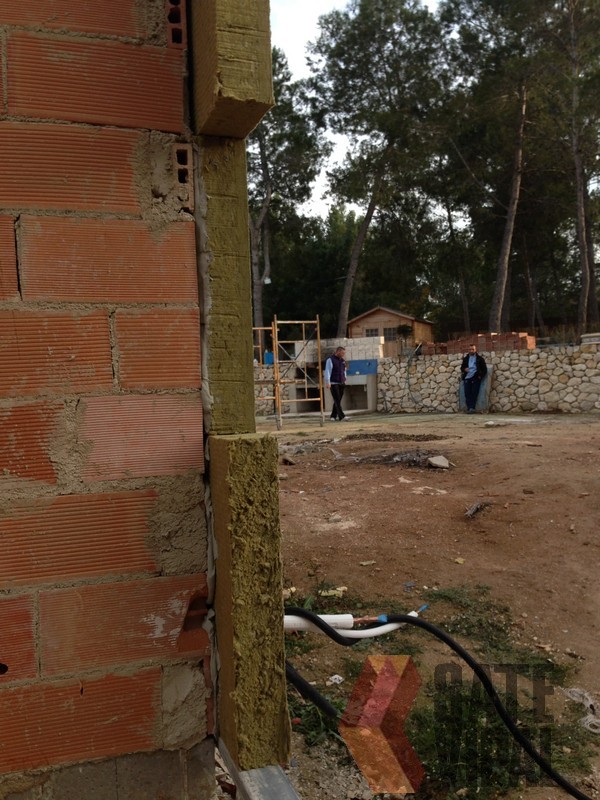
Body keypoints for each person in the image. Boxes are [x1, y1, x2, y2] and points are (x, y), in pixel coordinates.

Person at [460, 344, 487, 413]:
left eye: (473, 349)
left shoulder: (479, 359)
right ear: (468, 350)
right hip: (467, 377)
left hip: (475, 377)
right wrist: (464, 369)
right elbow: (462, 367)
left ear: (475, 350)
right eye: (470, 349)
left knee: (474, 393)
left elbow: (484, 369)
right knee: (467, 393)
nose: (471, 351)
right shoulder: (466, 359)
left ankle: (472, 408)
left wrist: (480, 376)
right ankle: (469, 408)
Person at [325, 346, 348, 421]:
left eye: (344, 353)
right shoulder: (330, 360)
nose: (343, 355)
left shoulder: (342, 361)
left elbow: (344, 371)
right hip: (334, 383)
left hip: (341, 382)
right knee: (337, 400)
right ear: (338, 352)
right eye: (342, 353)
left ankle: (333, 416)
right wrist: (328, 382)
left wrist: (345, 379)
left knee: (338, 400)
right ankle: (342, 416)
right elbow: (328, 371)